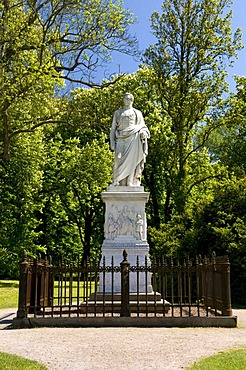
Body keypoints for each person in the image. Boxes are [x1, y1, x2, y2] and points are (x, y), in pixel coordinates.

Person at [110, 93, 150, 186]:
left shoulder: (137, 113)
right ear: (123, 100)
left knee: (132, 160)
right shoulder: (118, 112)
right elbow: (113, 129)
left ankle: (130, 181)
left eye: (129, 99)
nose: (127, 101)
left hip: (133, 138)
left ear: (132, 100)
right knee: (117, 159)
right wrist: (112, 142)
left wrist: (143, 132)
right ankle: (116, 180)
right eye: (125, 99)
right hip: (121, 138)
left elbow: (143, 126)